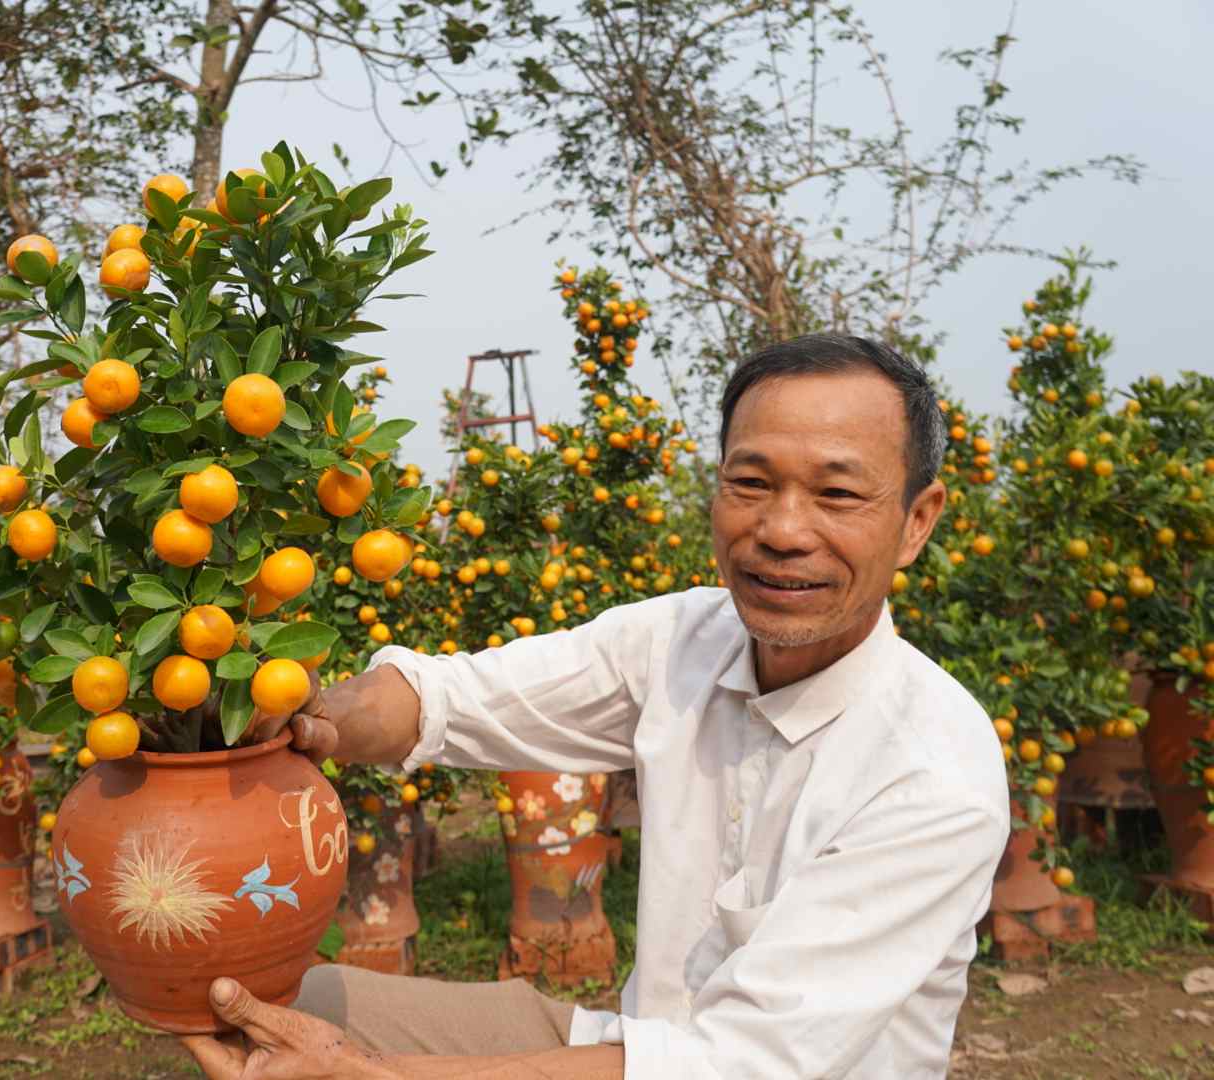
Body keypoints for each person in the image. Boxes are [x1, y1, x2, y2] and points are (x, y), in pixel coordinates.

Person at [183, 334, 1010, 1079]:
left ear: (916, 522)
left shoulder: (933, 771)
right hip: (635, 1043)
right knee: (303, 1011)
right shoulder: (682, 640)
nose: (783, 530)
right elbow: (451, 699)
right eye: (751, 483)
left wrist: (374, 1078)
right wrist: (305, 714)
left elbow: (746, 1066)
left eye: (837, 495)